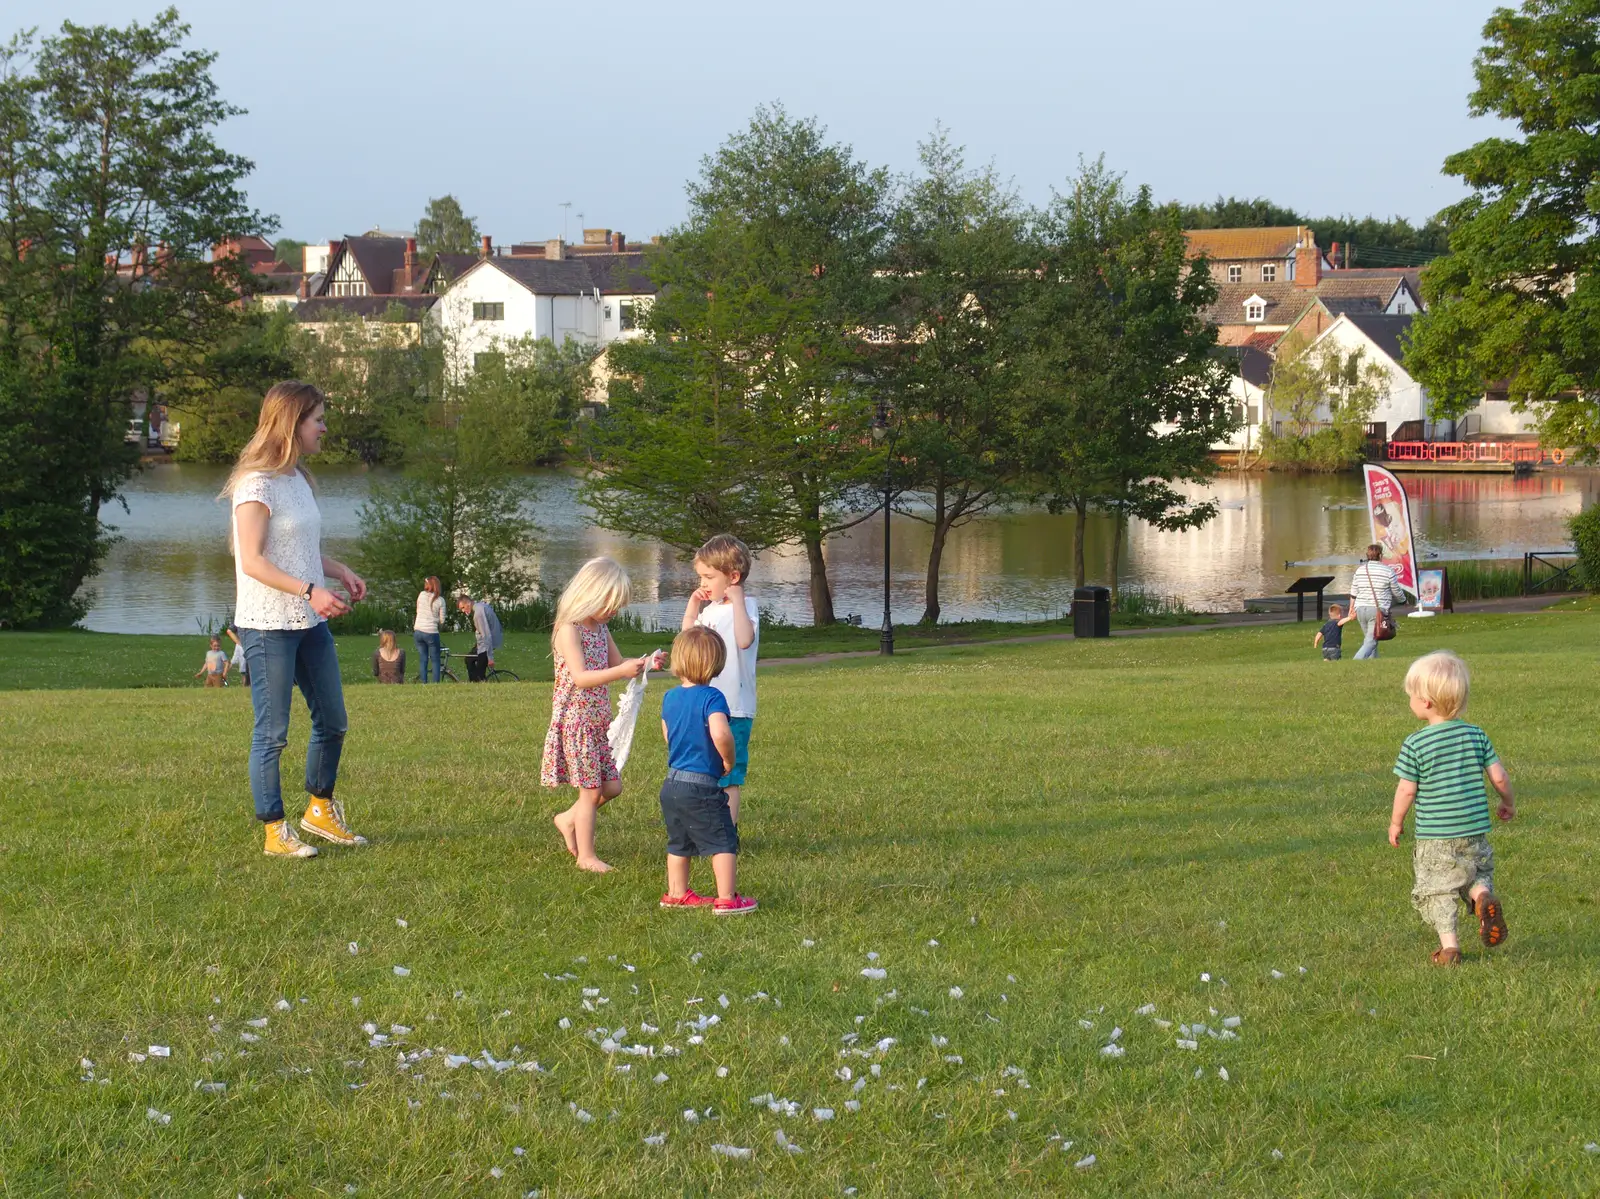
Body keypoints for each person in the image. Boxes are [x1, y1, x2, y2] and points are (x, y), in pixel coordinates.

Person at [223, 380, 368, 860]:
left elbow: (299, 550)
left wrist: (338, 570)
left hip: (309, 623)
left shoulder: (299, 480)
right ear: (292, 423)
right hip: (267, 624)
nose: (324, 427)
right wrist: (310, 591)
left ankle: (319, 811)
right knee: (272, 733)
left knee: (334, 720)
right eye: (318, 419)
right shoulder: (256, 485)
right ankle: (274, 831)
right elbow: (254, 561)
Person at [1388, 650, 1515, 966]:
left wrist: (1396, 822)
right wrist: (1507, 802)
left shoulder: (1415, 744)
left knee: (1438, 890)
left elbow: (1406, 789)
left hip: (1437, 838)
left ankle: (1450, 949)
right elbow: (1498, 775)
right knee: (1476, 874)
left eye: (1411, 696)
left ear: (1426, 702)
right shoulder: (1476, 735)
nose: (1409, 702)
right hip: (1474, 831)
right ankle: (1481, 897)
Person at [542, 557, 653, 873]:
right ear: (590, 593)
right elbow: (581, 677)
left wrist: (644, 665)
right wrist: (619, 669)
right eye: (610, 604)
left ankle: (567, 818)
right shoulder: (569, 629)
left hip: (596, 722)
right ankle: (586, 857)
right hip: (576, 722)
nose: (614, 612)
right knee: (591, 791)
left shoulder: (601, 629)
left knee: (611, 787)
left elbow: (618, 663)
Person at [658, 626, 757, 915]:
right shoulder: (712, 697)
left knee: (679, 841)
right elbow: (721, 733)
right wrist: (728, 759)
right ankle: (727, 898)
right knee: (723, 839)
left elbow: (667, 733)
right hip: (701, 785)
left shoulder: (670, 697)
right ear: (715, 664)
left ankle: (676, 893)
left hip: (672, 783)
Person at [682, 534, 759, 827]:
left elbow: (743, 640)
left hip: (735, 708)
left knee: (729, 774)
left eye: (708, 577)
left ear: (733, 577)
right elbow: (686, 642)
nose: (702, 583)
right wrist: (693, 606)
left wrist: (737, 600)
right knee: (705, 771)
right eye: (700, 576)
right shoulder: (709, 610)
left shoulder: (747, 607)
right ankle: (706, 826)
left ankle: (727, 833)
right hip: (704, 705)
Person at [1349, 543, 1408, 660]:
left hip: (1360, 608)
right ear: (1381, 555)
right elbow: (1396, 591)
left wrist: (1351, 608)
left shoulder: (1360, 570)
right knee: (1372, 641)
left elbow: (1354, 591)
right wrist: (1403, 600)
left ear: (1367, 555)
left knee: (1369, 638)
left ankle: (1373, 663)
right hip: (1377, 610)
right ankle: (1355, 661)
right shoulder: (1388, 571)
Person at [457, 593, 503, 682]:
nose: (463, 611)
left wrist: (490, 658)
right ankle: (474, 683)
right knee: (469, 659)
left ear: (468, 603)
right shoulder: (479, 606)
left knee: (479, 675)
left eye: (463, 607)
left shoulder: (478, 614)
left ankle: (479, 684)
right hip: (484, 642)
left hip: (486, 645)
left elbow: (487, 635)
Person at [413, 576, 446, 683]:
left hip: (418, 630)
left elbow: (418, 610)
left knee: (423, 658)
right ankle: (436, 683)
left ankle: (424, 683)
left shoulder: (421, 595)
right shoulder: (440, 600)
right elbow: (442, 620)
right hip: (431, 632)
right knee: (435, 659)